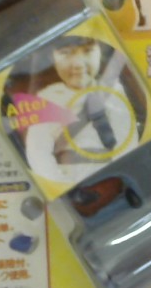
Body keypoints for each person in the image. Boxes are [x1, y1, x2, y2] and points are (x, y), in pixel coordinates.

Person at [23, 37, 140, 184]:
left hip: (113, 177)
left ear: (100, 52)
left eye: (88, 51)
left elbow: (127, 140)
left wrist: (118, 176)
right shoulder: (46, 99)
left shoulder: (113, 92)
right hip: (70, 180)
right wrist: (61, 185)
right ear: (52, 57)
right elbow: (38, 152)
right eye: (65, 53)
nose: (78, 64)